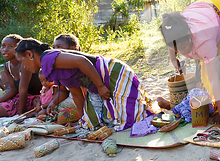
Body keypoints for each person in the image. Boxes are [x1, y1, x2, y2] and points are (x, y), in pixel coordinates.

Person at [15, 38, 150, 131]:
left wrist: (100, 86)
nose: (24, 67)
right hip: (98, 83)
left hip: (112, 73)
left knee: (132, 120)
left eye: (22, 61)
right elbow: (75, 92)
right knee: (92, 124)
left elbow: (82, 61)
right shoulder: (47, 68)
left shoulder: (48, 58)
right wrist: (82, 120)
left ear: (29, 54)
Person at [159, 0, 220, 123]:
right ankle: (211, 104)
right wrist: (172, 58)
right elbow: (171, 42)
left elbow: (214, 79)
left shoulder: (204, 41)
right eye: (178, 50)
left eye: (184, 48)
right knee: (203, 69)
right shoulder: (174, 28)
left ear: (190, 37)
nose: (184, 53)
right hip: (202, 9)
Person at [0, 34, 42, 116]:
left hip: (34, 99)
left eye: (10, 46)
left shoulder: (25, 63)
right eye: (3, 46)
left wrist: (21, 113)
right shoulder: (7, 66)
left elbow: (23, 89)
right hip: (19, 98)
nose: (5, 49)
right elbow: (13, 89)